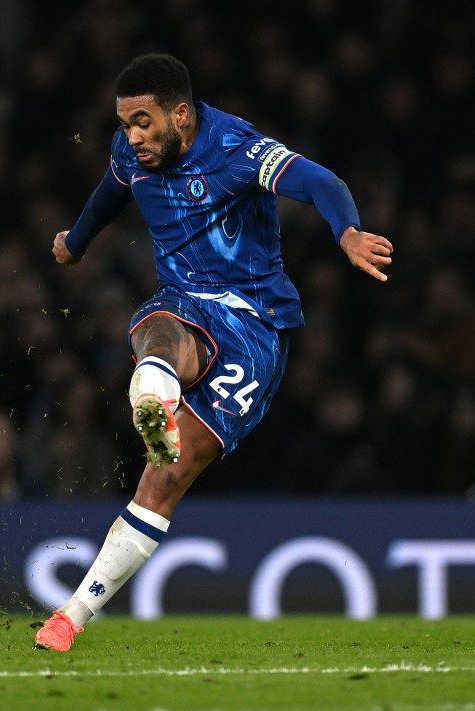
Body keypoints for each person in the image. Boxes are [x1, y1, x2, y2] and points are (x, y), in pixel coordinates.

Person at [33, 53, 393, 651]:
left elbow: (319, 181)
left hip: (257, 327)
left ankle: (154, 404)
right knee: (163, 332)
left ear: (181, 114)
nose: (133, 137)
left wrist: (347, 230)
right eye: (125, 124)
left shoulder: (237, 148)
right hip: (185, 301)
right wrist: (74, 241)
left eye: (144, 122)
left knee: (169, 475)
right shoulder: (131, 153)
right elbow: (109, 192)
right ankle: (69, 617)